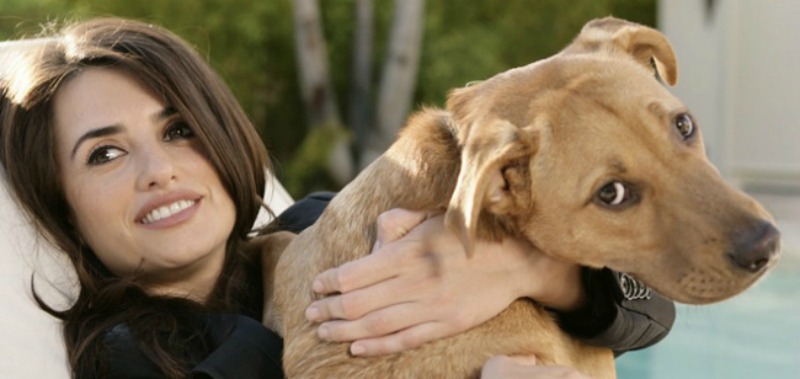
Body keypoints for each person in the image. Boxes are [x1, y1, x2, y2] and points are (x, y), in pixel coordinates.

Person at [0, 17, 674, 378]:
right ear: (62, 204)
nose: (159, 169)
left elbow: (655, 306)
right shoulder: (126, 355)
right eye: (105, 153)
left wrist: (538, 273)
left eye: (178, 129)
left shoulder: (324, 221)